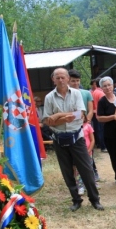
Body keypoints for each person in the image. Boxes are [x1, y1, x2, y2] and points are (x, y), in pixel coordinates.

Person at [42, 68, 104, 211]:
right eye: (57, 77)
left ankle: (95, 200)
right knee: (67, 171)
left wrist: (57, 116)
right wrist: (63, 118)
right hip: (59, 139)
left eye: (63, 77)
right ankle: (76, 200)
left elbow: (80, 115)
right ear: (53, 79)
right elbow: (47, 121)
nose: (61, 80)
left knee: (87, 170)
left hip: (76, 137)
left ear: (68, 78)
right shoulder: (49, 97)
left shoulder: (76, 94)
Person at [68, 69, 100, 182]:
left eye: (77, 81)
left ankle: (93, 172)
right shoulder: (66, 94)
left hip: (85, 124)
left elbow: (90, 109)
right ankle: (76, 177)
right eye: (73, 81)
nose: (76, 83)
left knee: (88, 149)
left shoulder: (86, 93)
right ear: (68, 81)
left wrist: (87, 120)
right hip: (71, 126)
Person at [75, 115, 99, 195]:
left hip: (88, 152)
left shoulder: (88, 126)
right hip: (78, 153)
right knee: (78, 170)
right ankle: (80, 186)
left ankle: (92, 183)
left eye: (82, 117)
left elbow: (92, 140)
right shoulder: (74, 128)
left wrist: (89, 150)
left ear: (85, 118)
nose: (80, 119)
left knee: (90, 168)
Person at [90, 78, 107, 152]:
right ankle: (103, 146)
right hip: (101, 114)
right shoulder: (101, 93)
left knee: (98, 130)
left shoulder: (94, 92)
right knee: (102, 131)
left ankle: (99, 144)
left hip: (95, 114)